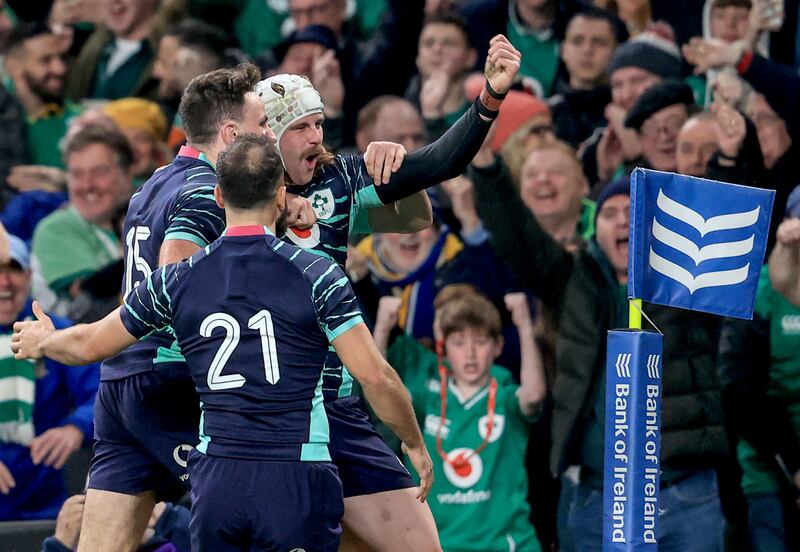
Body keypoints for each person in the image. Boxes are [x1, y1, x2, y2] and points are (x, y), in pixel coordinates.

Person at [12, 134, 434, 552]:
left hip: (217, 482)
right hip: (292, 470)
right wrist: (413, 442)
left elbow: (90, 344)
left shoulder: (175, 280)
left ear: (217, 195)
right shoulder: (316, 274)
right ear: (281, 193)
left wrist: (45, 340)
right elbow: (375, 377)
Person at [257, 33, 521, 551]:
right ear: (266, 137)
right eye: (300, 127)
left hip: (337, 403)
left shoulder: (339, 178)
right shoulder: (229, 197)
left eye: (319, 124)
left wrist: (489, 97)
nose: (315, 137)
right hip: (265, 415)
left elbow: (439, 163)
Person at [373, 287, 547, 551]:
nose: (470, 353)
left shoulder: (505, 396)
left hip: (507, 544)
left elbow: (533, 395)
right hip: (440, 544)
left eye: (480, 341)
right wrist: (383, 330)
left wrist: (524, 324)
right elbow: (382, 396)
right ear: (443, 347)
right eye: (459, 342)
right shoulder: (426, 398)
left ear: (498, 345)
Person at [0, 233, 99, 521]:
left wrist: (76, 428)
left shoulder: (56, 332)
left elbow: (104, 393)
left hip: (50, 506)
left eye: (13, 269)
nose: (5, 283)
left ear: (30, 276)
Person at [31, 124, 135, 318]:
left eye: (99, 172)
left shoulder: (149, 212)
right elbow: (91, 297)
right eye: (77, 174)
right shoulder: (56, 229)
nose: (87, 185)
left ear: (127, 174)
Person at [2, 21, 80, 169]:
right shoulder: (4, 121)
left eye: (62, 58)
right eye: (46, 60)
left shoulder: (80, 121)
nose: (60, 69)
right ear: (13, 66)